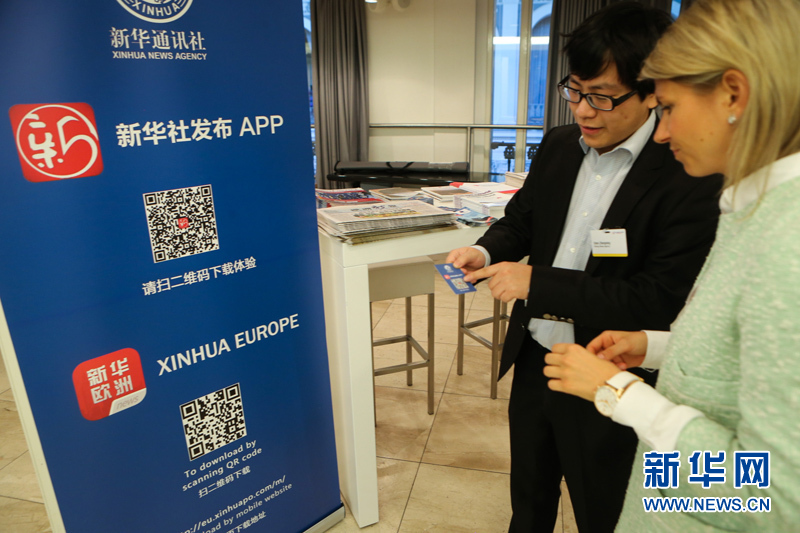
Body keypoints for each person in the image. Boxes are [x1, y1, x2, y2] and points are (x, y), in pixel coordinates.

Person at [446, 3, 722, 531]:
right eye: (574, 91)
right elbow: (522, 221)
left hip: (610, 368)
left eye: (602, 97)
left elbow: (654, 298)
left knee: (604, 509)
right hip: (537, 356)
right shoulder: (558, 145)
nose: (584, 112)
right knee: (529, 499)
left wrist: (537, 281)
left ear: (651, 93)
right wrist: (484, 251)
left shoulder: (687, 173)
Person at [542, 0, 800, 530]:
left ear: (733, 95)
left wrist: (620, 394)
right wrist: (658, 347)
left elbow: (776, 501)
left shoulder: (787, 243)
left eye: (668, 107)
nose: (660, 133)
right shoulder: (751, 208)